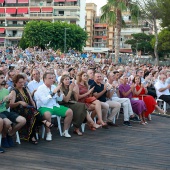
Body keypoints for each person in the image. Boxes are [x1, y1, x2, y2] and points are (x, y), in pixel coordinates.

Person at [9, 74, 53, 144]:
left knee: (33, 114)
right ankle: (44, 122)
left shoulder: (25, 89)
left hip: (28, 109)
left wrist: (34, 107)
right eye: (20, 82)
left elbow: (31, 100)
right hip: (18, 110)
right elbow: (11, 105)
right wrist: (19, 102)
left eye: (23, 82)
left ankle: (32, 136)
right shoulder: (14, 91)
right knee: (33, 113)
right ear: (15, 83)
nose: (22, 84)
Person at [35, 72, 73, 138]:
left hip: (54, 106)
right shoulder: (40, 88)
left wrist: (58, 92)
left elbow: (60, 99)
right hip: (44, 107)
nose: (52, 80)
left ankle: (65, 131)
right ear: (44, 79)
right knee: (47, 114)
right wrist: (53, 92)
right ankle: (48, 133)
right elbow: (44, 101)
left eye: (52, 78)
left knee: (69, 112)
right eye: (49, 78)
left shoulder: (54, 86)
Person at [0, 71, 26, 149]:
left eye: (3, 77)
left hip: (5, 111)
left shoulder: (5, 90)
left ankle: (10, 134)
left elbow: (7, 106)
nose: (3, 79)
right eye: (1, 78)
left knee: (23, 120)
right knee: (8, 123)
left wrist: (7, 101)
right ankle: (4, 137)